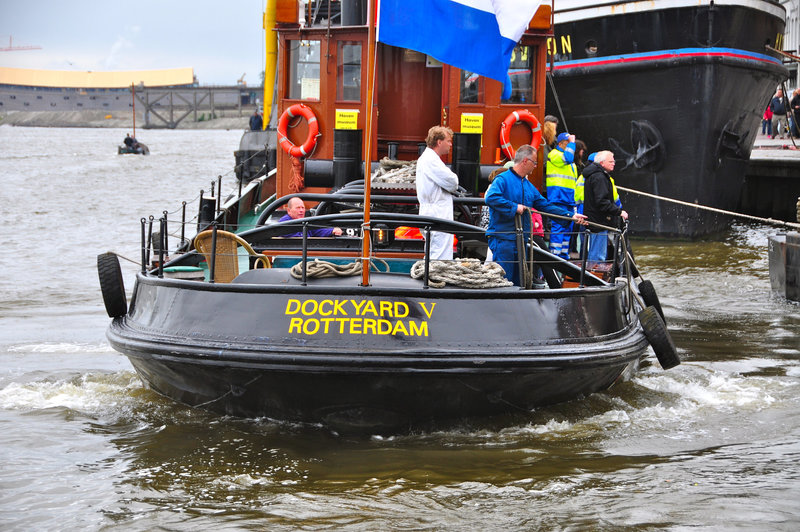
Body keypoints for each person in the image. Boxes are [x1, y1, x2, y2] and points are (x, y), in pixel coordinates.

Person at [485, 144, 587, 285]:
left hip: (520, 240)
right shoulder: (502, 180)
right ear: (525, 161)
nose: (535, 166)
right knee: (505, 279)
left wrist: (570, 216)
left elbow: (544, 205)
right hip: (504, 239)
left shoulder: (527, 186)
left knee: (519, 280)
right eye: (534, 162)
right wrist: (514, 207)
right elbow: (490, 198)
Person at [416, 125, 460, 260]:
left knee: (434, 250)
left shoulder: (428, 159)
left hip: (433, 211)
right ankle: (434, 277)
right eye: (448, 141)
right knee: (439, 252)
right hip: (437, 213)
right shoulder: (431, 160)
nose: (450, 144)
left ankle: (430, 275)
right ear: (439, 142)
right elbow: (452, 182)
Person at [582, 150, 628, 263]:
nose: (614, 163)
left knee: (595, 252)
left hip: (595, 219)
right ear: (602, 163)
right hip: (599, 221)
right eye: (611, 161)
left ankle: (592, 274)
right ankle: (594, 277)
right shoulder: (599, 177)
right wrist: (619, 212)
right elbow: (602, 202)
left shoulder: (593, 175)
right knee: (598, 256)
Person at [545, 131, 578, 259]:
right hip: (558, 198)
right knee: (558, 227)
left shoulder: (568, 160)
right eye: (567, 143)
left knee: (568, 228)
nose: (570, 146)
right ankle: (555, 256)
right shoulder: (555, 155)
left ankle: (564, 255)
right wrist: (573, 143)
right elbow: (569, 158)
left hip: (568, 199)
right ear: (560, 143)